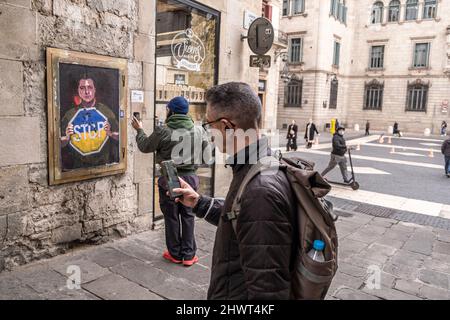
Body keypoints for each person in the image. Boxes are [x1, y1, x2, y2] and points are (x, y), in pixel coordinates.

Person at [172, 82, 297, 299]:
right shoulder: (259, 164)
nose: (209, 132)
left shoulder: (260, 192)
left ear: (226, 126)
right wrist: (200, 203)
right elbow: (242, 216)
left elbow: (268, 291)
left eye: (208, 124)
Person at [132, 96, 209, 267]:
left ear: (171, 111)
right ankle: (189, 255)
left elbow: (145, 146)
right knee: (188, 215)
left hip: (169, 178)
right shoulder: (199, 130)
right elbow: (206, 156)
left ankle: (175, 253)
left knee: (171, 216)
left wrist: (139, 130)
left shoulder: (163, 130)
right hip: (190, 177)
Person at [60, 77, 119, 170]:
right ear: (78, 91)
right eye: (82, 88)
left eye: (90, 87)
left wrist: (111, 134)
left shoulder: (106, 112)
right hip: (78, 168)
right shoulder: (70, 115)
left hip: (103, 166)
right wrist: (66, 138)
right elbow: (58, 144)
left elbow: (121, 137)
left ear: (95, 90)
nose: (87, 92)